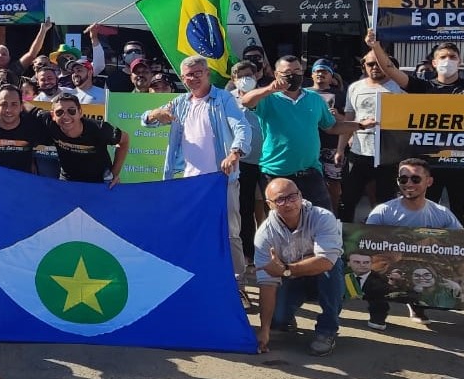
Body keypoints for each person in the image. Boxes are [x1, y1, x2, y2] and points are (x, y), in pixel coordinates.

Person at [365, 30, 464, 228]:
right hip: (429, 167)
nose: (447, 60)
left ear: (459, 61)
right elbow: (390, 70)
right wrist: (375, 46)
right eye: (443, 57)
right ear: (434, 63)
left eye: (452, 57)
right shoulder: (422, 86)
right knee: (424, 223)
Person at [141, 55, 252, 280]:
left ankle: (237, 284)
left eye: (197, 73)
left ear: (207, 73)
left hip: (222, 180)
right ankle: (196, 278)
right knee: (189, 231)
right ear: (182, 78)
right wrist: (154, 114)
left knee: (230, 234)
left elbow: (242, 127)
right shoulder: (180, 103)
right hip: (189, 183)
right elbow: (145, 120)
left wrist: (235, 152)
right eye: (188, 75)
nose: (193, 78)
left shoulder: (223, 99)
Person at [239, 55, 373, 211]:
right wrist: (269, 89)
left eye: (297, 70)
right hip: (276, 173)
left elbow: (331, 127)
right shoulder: (269, 99)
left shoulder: (314, 99)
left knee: (321, 218)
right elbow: (246, 101)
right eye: (287, 72)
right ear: (277, 75)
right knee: (282, 224)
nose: (293, 75)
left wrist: (360, 125)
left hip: (310, 171)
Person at [254, 178, 344, 356]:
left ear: (301, 196)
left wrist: (286, 269)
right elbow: (267, 285)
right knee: (276, 322)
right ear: (269, 205)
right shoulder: (264, 235)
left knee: (333, 268)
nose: (288, 203)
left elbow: (326, 261)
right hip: (292, 280)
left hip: (321, 275)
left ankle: (327, 331)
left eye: (293, 196)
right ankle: (285, 316)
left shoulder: (322, 217)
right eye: (280, 200)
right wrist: (264, 329)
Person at [336, 50, 404, 222]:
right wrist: (340, 149)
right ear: (364, 66)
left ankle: (382, 241)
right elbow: (349, 119)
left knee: (386, 204)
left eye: (379, 62)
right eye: (370, 64)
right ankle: (344, 239)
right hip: (359, 154)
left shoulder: (399, 87)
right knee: (348, 200)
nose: (375, 67)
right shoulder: (355, 87)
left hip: (388, 156)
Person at [229, 61, 266, 262]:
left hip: (269, 159)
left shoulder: (266, 96)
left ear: (257, 76)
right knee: (245, 208)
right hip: (243, 161)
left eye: (249, 75)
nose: (245, 79)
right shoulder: (227, 99)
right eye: (240, 75)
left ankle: (273, 251)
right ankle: (248, 253)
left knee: (273, 206)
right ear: (233, 80)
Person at [305, 58, 347, 214]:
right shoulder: (303, 93)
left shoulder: (341, 95)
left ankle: (333, 216)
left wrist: (338, 117)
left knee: (333, 184)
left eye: (325, 71)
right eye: (317, 71)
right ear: (312, 74)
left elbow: (349, 122)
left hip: (331, 145)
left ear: (331, 76)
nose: (320, 74)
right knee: (307, 182)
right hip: (307, 146)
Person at [343, 250, 390, 330]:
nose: (362, 265)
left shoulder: (380, 279)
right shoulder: (341, 276)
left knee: (380, 295)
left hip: (373, 297)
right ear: (349, 263)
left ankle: (378, 318)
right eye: (357, 262)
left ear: (371, 264)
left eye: (366, 262)